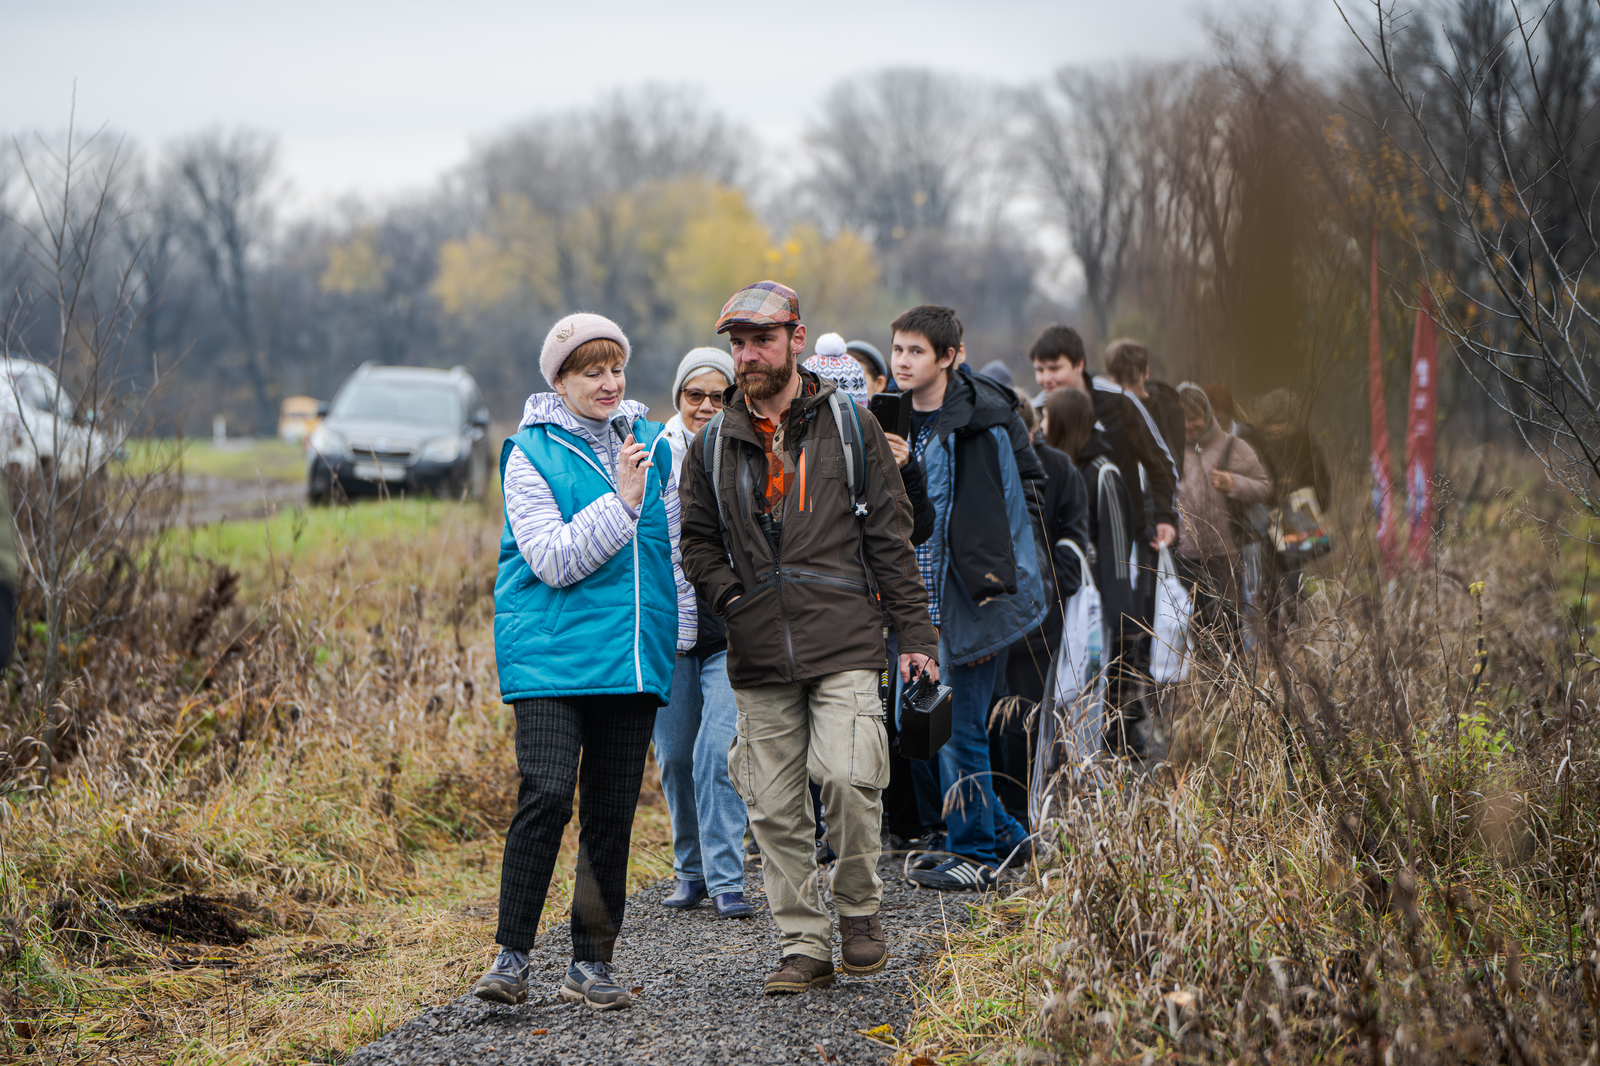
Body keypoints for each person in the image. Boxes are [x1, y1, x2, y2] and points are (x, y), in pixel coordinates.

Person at [678, 280, 939, 996]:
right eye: (737, 343)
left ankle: (858, 909)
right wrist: (729, 597)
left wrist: (916, 633)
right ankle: (804, 943)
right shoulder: (711, 445)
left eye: (761, 339)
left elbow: (892, 537)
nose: (747, 355)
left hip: (845, 634)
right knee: (773, 805)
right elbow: (696, 540)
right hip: (757, 647)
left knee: (852, 776)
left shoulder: (850, 427)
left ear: (797, 338)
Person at [473, 313, 689, 1012]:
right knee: (545, 790)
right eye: (590, 370)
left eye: (615, 367)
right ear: (559, 381)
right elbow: (554, 559)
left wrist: (681, 635)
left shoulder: (654, 444)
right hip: (551, 655)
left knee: (610, 811)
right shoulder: (528, 454)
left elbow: (679, 551)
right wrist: (623, 503)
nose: (608, 382)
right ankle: (511, 956)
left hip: (631, 658)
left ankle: (590, 963)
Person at [893, 305, 1051, 891]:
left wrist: (1005, 577)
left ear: (948, 357)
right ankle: (1010, 838)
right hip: (919, 602)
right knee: (931, 729)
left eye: (915, 352)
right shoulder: (898, 417)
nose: (902, 363)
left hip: (972, 597)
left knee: (958, 729)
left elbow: (1022, 495)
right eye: (898, 350)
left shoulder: (981, 419)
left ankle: (977, 854)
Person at [1029, 326, 1176, 756]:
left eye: (1053, 368)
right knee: (1083, 633)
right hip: (1072, 539)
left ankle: (1125, 723)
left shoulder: (1118, 400)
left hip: (1124, 534)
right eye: (1038, 370)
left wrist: (1164, 516)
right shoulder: (1040, 411)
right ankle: (1077, 726)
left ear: (1078, 364)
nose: (1045, 379)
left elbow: (1161, 458)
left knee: (1123, 626)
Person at [654, 346, 755, 919]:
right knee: (673, 755)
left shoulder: (745, 454)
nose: (708, 406)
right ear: (679, 399)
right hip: (670, 629)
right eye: (696, 395)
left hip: (728, 625)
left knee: (717, 750)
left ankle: (726, 877)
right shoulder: (654, 457)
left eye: (720, 396)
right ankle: (688, 870)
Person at [990, 392, 1088, 825]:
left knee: (1026, 715)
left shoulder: (1059, 468)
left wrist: (1055, 589)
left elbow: (1073, 536)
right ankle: (994, 807)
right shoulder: (987, 463)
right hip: (990, 612)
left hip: (1040, 617)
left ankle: (1022, 811)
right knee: (992, 715)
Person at [1042, 387, 1137, 666]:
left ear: (1063, 422)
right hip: (1064, 602)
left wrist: (1122, 627)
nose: (1042, 425)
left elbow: (1116, 550)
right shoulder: (1057, 468)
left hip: (1093, 606)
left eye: (1046, 417)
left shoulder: (1103, 472)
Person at [1173, 384, 1271, 648]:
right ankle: (1210, 685)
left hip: (1225, 551)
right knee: (1197, 624)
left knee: (1229, 621)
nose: (1189, 425)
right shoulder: (1169, 449)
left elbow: (1264, 486)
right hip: (1186, 555)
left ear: (1207, 416)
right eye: (1182, 419)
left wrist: (1233, 483)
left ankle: (1236, 682)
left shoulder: (1231, 445)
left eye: (1195, 418)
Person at [1249, 389, 1332, 623]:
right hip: (1266, 524)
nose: (1276, 427)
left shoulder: (1305, 444)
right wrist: (1272, 493)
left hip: (1295, 525)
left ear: (1291, 421)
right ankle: (1277, 628)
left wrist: (1299, 490)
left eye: (1282, 421)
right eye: (1271, 422)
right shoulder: (1256, 445)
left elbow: (1321, 482)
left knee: (1293, 576)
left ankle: (1297, 624)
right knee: (1270, 581)